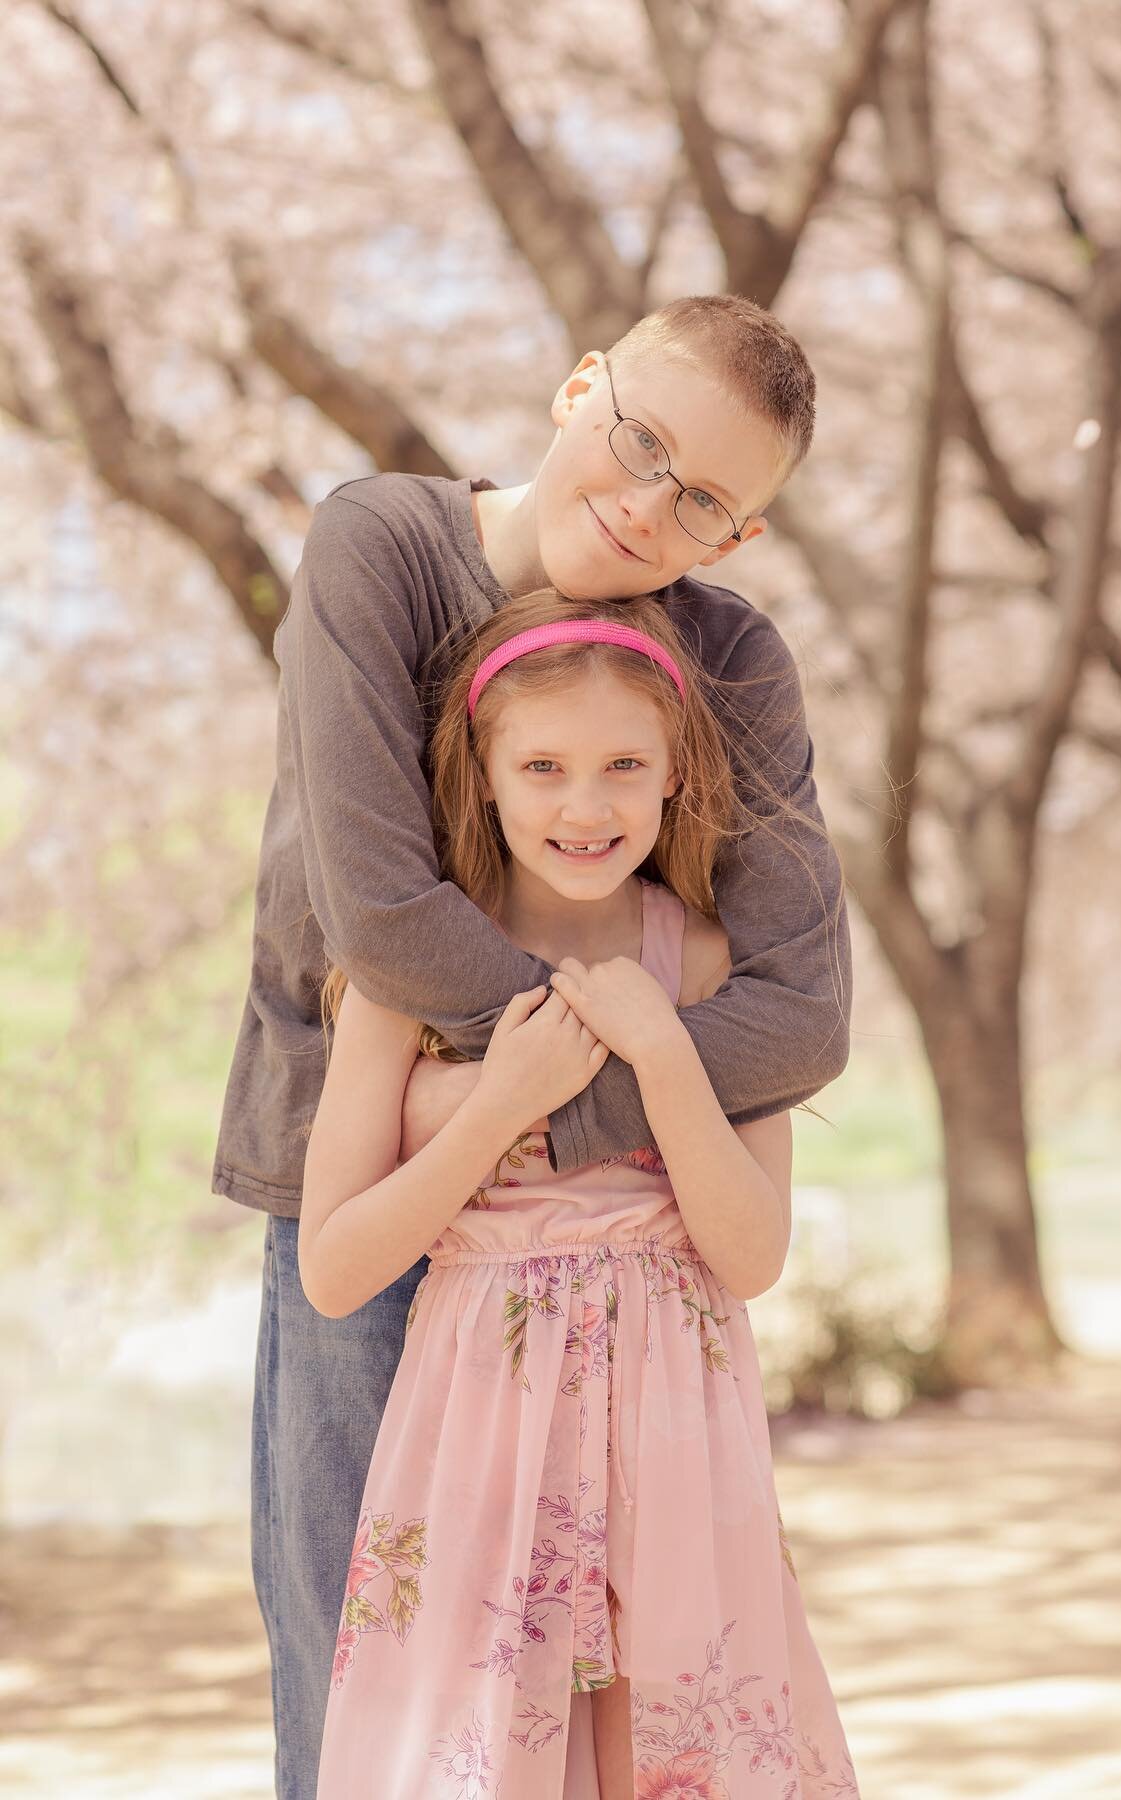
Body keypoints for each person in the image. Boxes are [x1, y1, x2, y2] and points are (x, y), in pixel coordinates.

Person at [212, 294, 852, 1797]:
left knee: (639, 1689)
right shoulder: (381, 549)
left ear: (740, 536)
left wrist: (504, 1105)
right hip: (363, 1175)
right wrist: (496, 1102)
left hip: (629, 1261)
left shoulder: (730, 667)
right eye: (640, 445)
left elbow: (800, 1010)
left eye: (707, 503)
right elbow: (387, 921)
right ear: (580, 389)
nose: (648, 508)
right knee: (378, 1673)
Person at [302, 591, 857, 1796]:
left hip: (677, 1428)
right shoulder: (403, 982)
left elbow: (753, 1255)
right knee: (488, 1758)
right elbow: (336, 1269)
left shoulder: (712, 965)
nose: (586, 805)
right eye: (543, 766)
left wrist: (666, 1056)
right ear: (485, 774)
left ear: (677, 779)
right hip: (481, 1434)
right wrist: (502, 1103)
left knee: (680, 1749)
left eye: (623, 766)